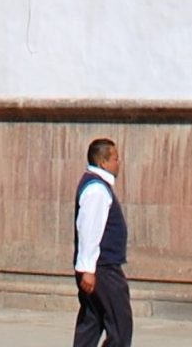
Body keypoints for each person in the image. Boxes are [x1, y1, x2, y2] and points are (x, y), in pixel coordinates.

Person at [72, 135, 131, 347]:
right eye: (115, 158)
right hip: (103, 268)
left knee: (92, 322)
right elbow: (89, 229)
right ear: (103, 162)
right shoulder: (96, 189)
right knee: (120, 326)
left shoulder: (97, 186)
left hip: (98, 267)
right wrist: (88, 269)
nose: (119, 163)